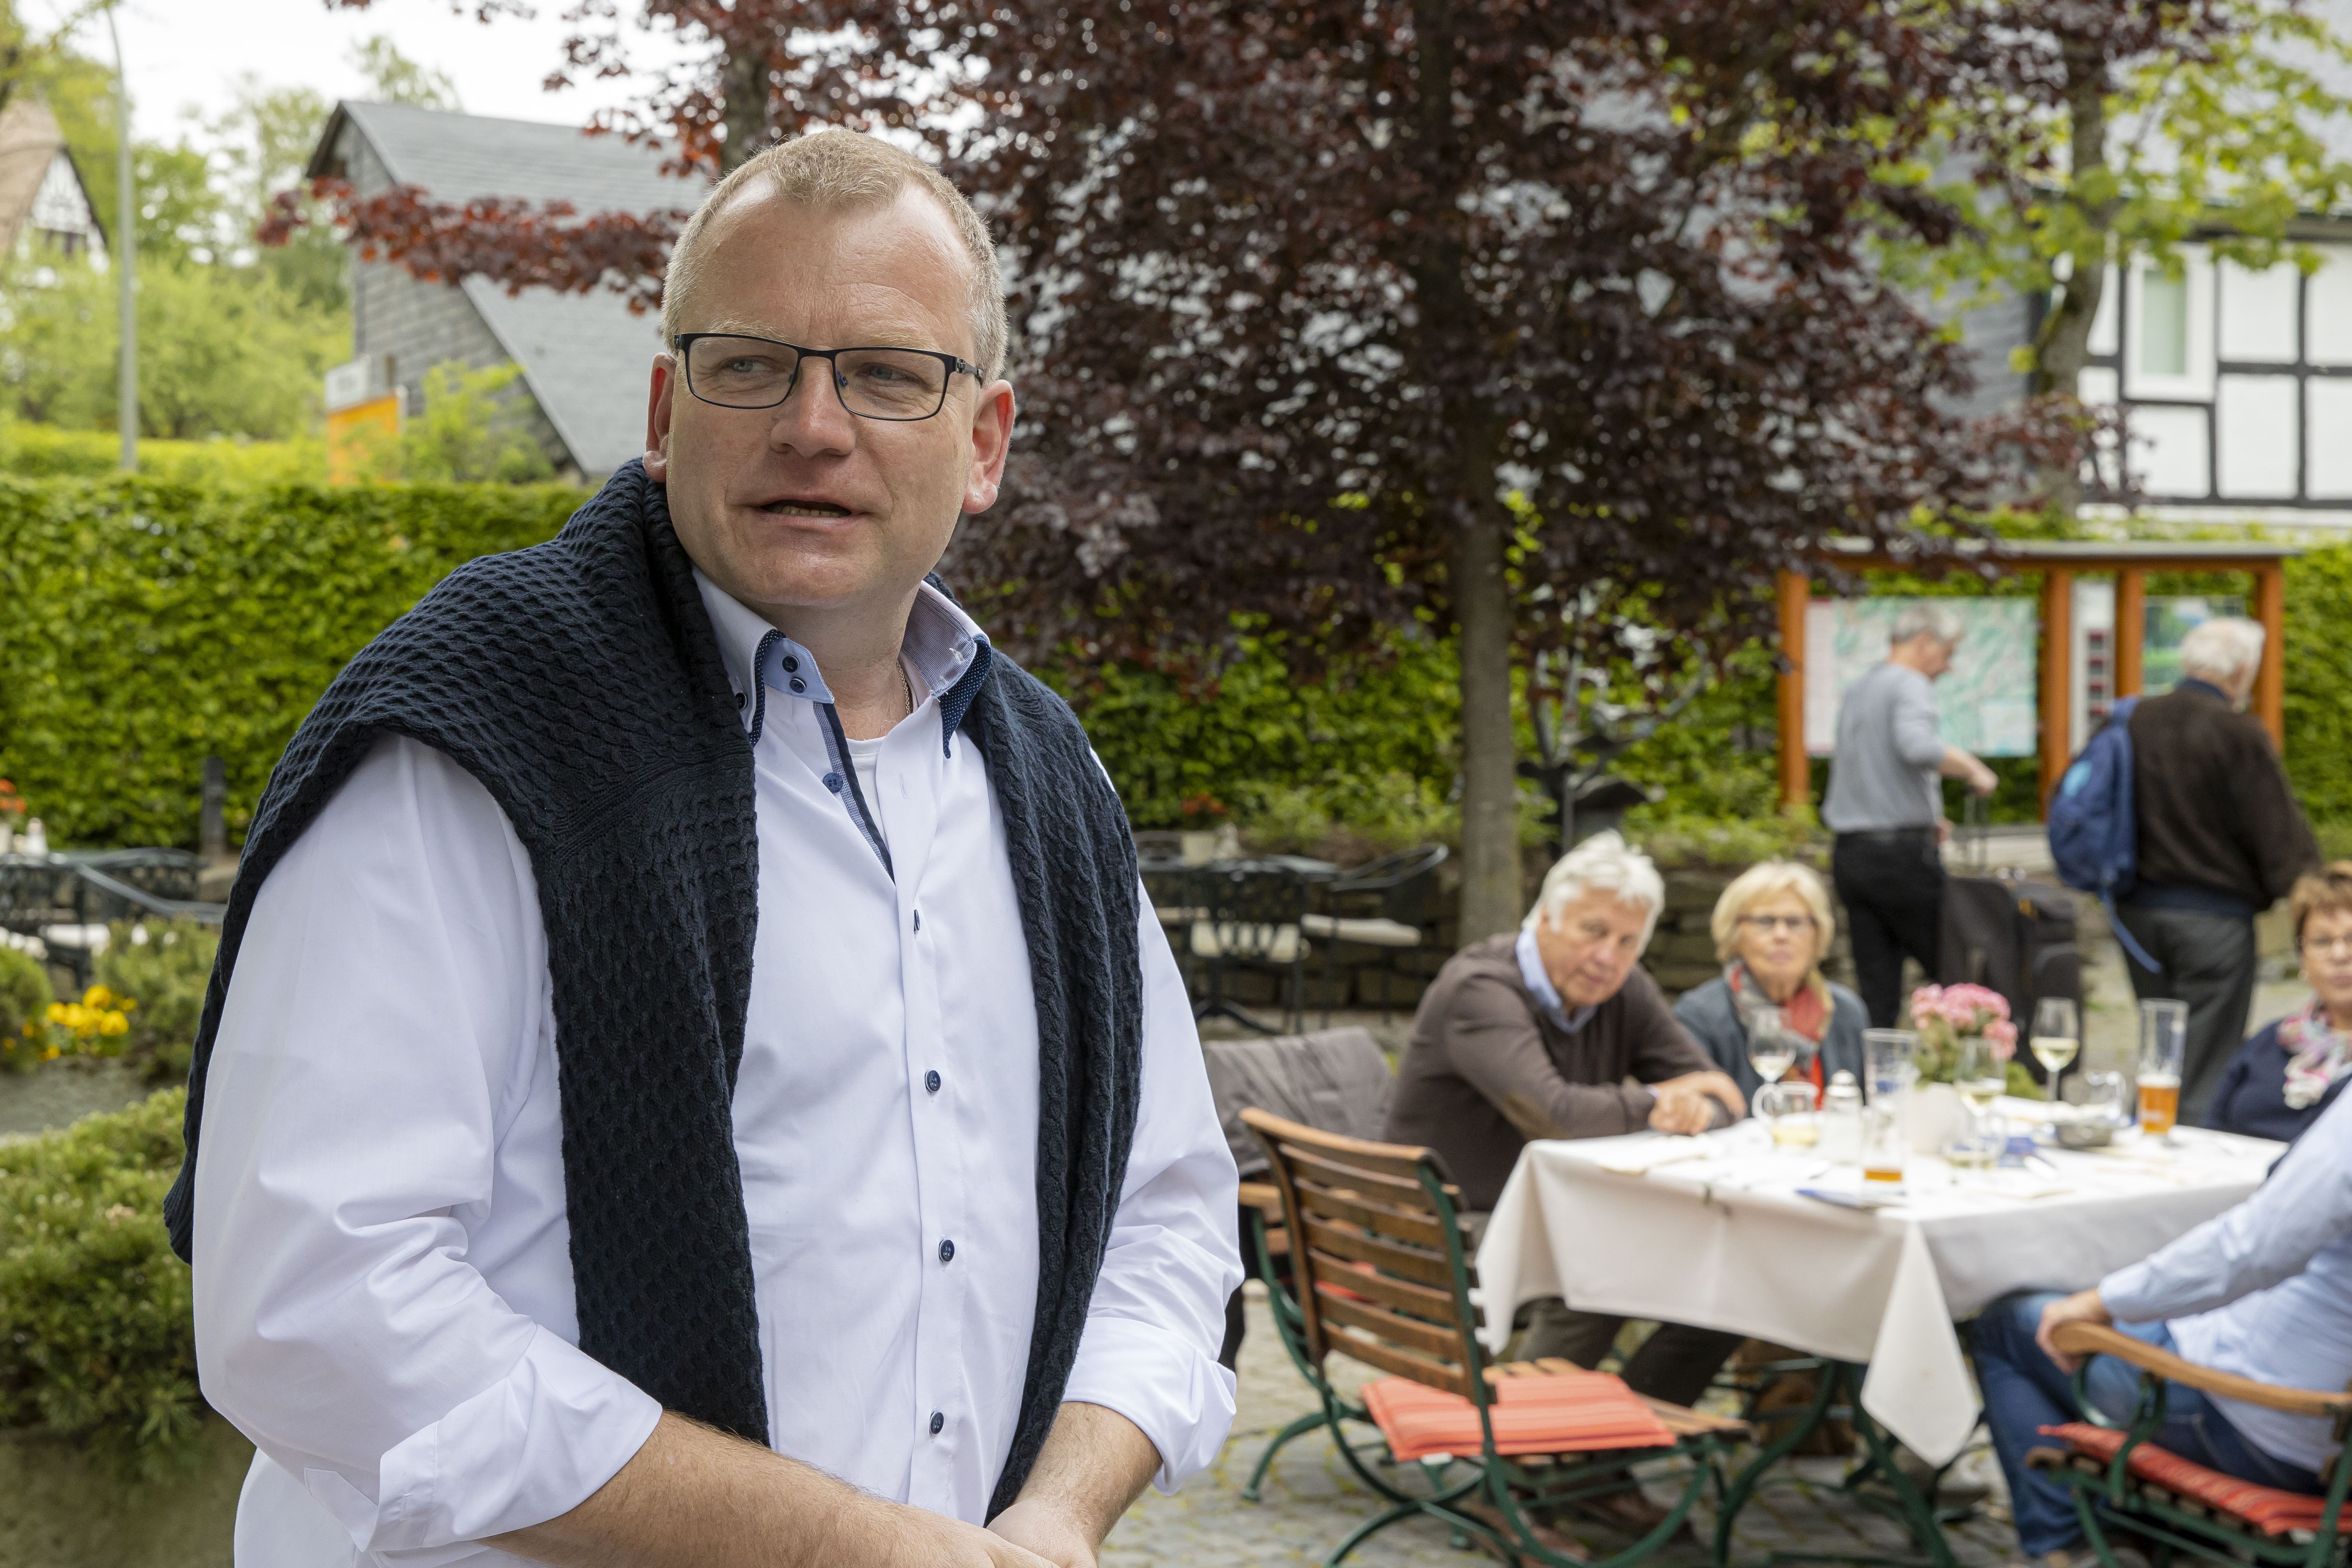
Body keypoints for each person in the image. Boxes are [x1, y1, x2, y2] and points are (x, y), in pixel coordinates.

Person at [174, 133, 1241, 1568]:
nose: (814, 423)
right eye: (751, 364)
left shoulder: (1047, 785)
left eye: (885, 372)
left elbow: (1164, 1217)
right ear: (668, 411)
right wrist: (834, 1544)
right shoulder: (474, 736)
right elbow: (318, 1302)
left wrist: (1050, 1518)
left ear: (981, 443)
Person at [1383, 831, 1747, 1413]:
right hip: (1445, 1226)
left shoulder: (1622, 988)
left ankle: (1605, 1451)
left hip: (1547, 1215)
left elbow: (1718, 1092)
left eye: (1628, 941)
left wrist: (1699, 1105)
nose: (1608, 956)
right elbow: (1553, 1114)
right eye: (1592, 931)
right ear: (1546, 917)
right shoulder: (1480, 989)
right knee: (1601, 1263)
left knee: (1728, 1268)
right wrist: (1659, 1102)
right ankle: (1531, 1451)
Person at [1967, 1083, 2352, 1568]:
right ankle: (2130, 1533)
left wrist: (2101, 1301)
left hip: (2267, 1424)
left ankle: (2072, 1545)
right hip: (2320, 1432)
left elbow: (2252, 1248)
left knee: (2009, 1324)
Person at [2120, 617, 2321, 1127]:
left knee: (2158, 1041)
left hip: (2136, 917)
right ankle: (2186, 1167)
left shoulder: (2134, 719)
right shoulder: (2234, 731)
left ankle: (2140, 1140)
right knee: (2206, 1058)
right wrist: (2313, 896)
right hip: (2213, 920)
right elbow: (2274, 828)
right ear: (2240, 670)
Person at [1821, 603, 2000, 1028]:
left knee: (1876, 992)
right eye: (1947, 652)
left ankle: (1874, 1082)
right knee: (1957, 983)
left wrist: (1920, 815)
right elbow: (1916, 746)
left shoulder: (1861, 686)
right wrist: (1975, 769)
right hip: (1899, 860)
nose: (1948, 667)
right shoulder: (1910, 685)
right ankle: (1970, 1076)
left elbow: (1868, 767)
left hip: (1852, 854)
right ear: (1924, 642)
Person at [1673, 859, 1868, 1103]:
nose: (1781, 935)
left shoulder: (1846, 1011)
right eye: (1765, 922)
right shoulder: (1699, 1016)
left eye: (1795, 922)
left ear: (1818, 933)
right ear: (1734, 933)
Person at [2208, 863, 2352, 1142]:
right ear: (2302, 959)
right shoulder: (2269, 1043)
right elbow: (2210, 1133)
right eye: (2322, 941)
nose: (2339, 954)